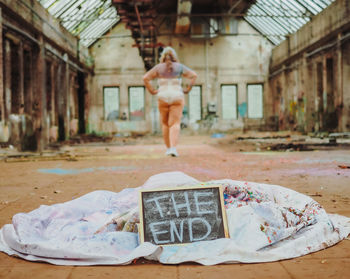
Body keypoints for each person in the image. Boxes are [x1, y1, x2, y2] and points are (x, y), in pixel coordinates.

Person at [143, 47, 197, 157]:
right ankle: (173, 148)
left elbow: (145, 78)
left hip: (162, 96)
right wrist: (188, 89)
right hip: (177, 96)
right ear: (174, 56)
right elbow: (193, 76)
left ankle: (168, 149)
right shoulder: (179, 67)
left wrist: (152, 91)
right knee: (175, 123)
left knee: (165, 123)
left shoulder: (158, 68)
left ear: (162, 56)